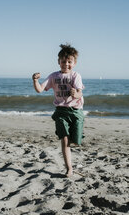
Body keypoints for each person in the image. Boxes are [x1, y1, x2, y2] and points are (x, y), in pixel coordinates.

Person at [32, 44, 85, 177]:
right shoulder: (53, 76)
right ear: (58, 61)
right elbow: (39, 89)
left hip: (75, 111)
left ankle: (74, 139)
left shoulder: (75, 76)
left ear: (74, 63)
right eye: (63, 61)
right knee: (65, 140)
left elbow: (79, 93)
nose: (66, 64)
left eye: (69, 62)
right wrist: (35, 80)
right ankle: (69, 168)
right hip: (61, 112)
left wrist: (75, 94)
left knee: (76, 141)